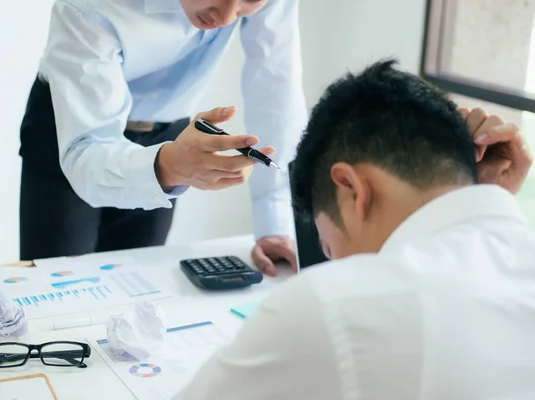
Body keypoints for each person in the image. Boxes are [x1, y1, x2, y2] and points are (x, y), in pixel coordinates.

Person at [174, 60, 535, 399]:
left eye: (329, 249)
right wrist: (482, 191)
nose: (332, 264)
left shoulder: (333, 307)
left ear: (351, 191)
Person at [18, 0, 307, 272]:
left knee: (135, 284)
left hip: (169, 136)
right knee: (58, 289)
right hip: (74, 126)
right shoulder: (87, 6)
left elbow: (276, 84)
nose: (226, 17)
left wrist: (276, 225)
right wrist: (166, 167)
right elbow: (86, 152)